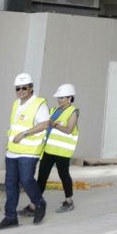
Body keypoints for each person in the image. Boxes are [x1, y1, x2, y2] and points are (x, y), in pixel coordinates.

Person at [0, 73, 48, 230]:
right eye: (18, 88)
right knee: (10, 184)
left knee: (26, 180)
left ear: (31, 88)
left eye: (24, 88)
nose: (21, 91)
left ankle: (39, 203)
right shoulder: (16, 104)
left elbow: (44, 124)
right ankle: (10, 217)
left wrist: (24, 134)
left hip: (29, 151)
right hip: (12, 151)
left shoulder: (39, 104)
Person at [35, 84, 80, 212]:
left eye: (62, 97)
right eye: (58, 97)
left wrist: (54, 125)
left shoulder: (73, 112)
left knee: (63, 175)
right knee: (42, 176)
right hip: (49, 149)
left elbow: (69, 130)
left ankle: (69, 201)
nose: (59, 100)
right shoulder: (53, 110)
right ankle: (35, 204)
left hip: (62, 151)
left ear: (70, 98)